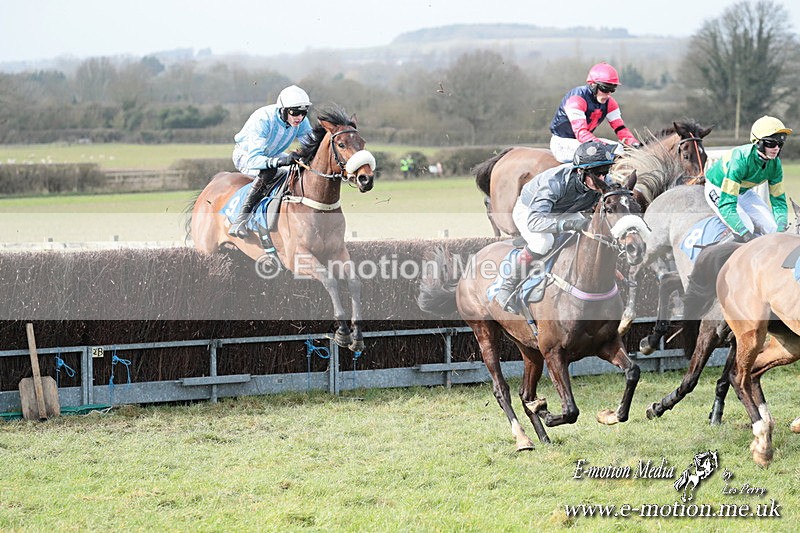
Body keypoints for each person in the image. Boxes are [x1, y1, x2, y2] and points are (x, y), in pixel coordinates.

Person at [495, 140, 617, 311]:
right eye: (597, 173)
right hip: (530, 211)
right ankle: (507, 286)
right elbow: (535, 221)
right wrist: (569, 224)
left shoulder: (602, 181)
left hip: (566, 208)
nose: (602, 178)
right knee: (543, 242)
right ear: (581, 172)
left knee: (590, 235)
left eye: (605, 172)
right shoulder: (555, 182)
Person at [228, 85, 314, 238]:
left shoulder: (301, 121)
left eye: (303, 112)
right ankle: (241, 219)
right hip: (247, 155)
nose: (299, 117)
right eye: (295, 112)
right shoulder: (263, 119)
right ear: (283, 109)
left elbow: (311, 146)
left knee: (299, 171)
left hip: (272, 154)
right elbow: (255, 160)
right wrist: (281, 161)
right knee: (269, 171)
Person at [704, 115, 792, 243]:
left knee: (773, 228)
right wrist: (743, 232)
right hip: (719, 188)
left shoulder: (775, 164)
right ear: (758, 142)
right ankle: (713, 256)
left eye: (780, 144)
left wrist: (781, 227)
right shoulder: (740, 160)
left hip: (743, 191)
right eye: (771, 143)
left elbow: (778, 201)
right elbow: (727, 205)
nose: (776, 148)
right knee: (746, 228)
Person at [549, 63, 641, 163]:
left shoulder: (610, 102)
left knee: (620, 149)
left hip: (583, 143)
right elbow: (581, 133)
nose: (608, 93)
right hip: (562, 143)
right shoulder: (576, 99)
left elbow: (620, 128)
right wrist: (602, 146)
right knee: (603, 153)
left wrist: (633, 143)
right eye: (605, 88)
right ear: (593, 84)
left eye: (612, 89)